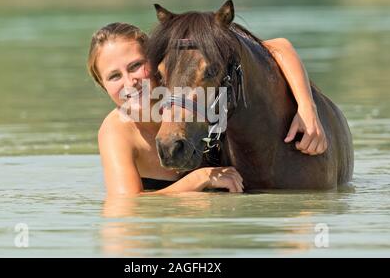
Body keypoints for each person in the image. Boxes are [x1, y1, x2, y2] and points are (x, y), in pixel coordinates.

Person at [87, 22, 327, 196]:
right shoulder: (116, 131)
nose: (130, 83)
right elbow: (125, 206)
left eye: (136, 66)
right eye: (114, 76)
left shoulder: (187, 94)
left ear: (157, 60)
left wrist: (307, 108)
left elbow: (277, 47)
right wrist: (198, 180)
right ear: (102, 85)